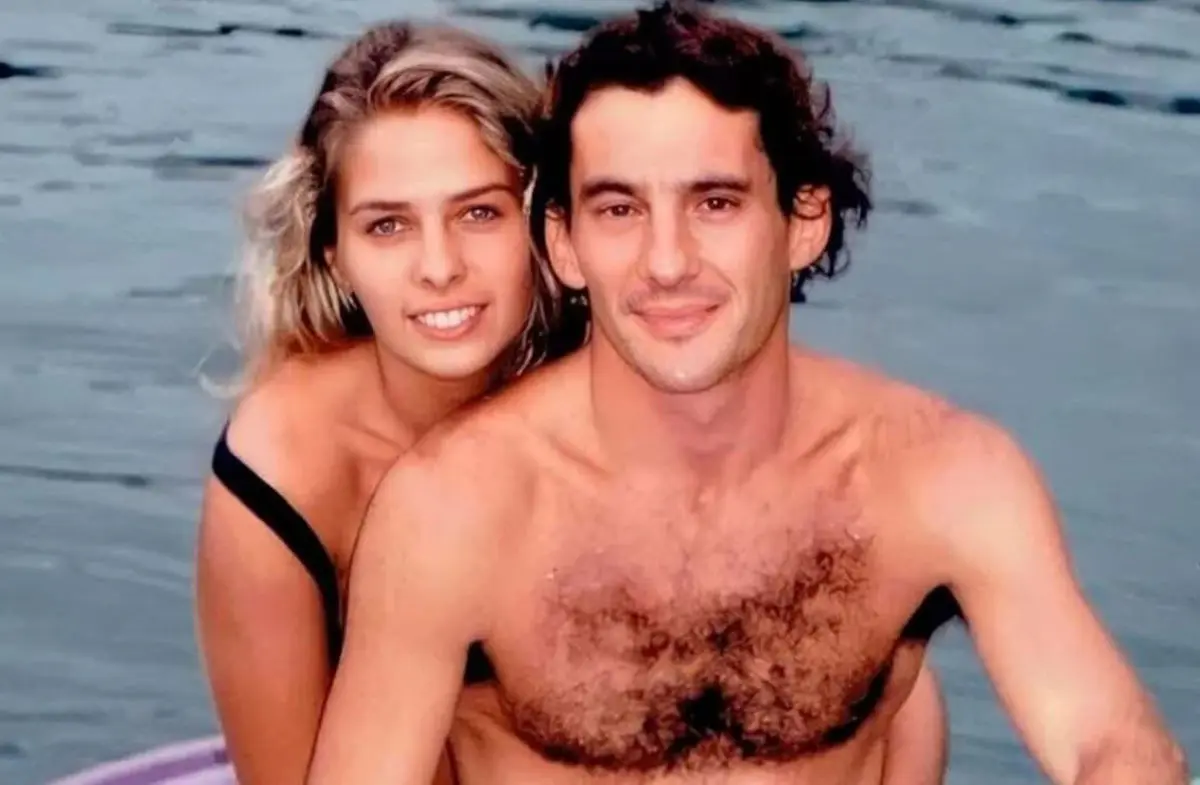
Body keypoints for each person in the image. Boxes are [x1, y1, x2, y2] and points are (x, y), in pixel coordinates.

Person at [306, 3, 1191, 785]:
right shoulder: (456, 513)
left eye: (715, 203)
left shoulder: (940, 476)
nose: (667, 262)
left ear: (804, 221)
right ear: (565, 245)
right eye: (619, 209)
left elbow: (1110, 739)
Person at [192, 20, 586, 785]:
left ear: (543, 222)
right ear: (333, 252)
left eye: (479, 212)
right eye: (387, 225)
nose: (439, 266)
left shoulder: (623, 402)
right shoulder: (286, 472)